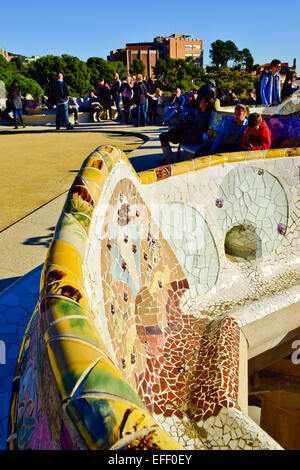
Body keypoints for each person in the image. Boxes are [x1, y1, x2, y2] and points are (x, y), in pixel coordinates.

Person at [158, 96, 215, 165]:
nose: (200, 102)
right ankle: (168, 159)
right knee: (167, 134)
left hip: (191, 137)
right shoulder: (204, 114)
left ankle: (168, 160)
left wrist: (182, 129)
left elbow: (196, 130)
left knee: (163, 136)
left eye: (202, 101)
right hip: (189, 134)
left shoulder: (204, 116)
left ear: (206, 104)